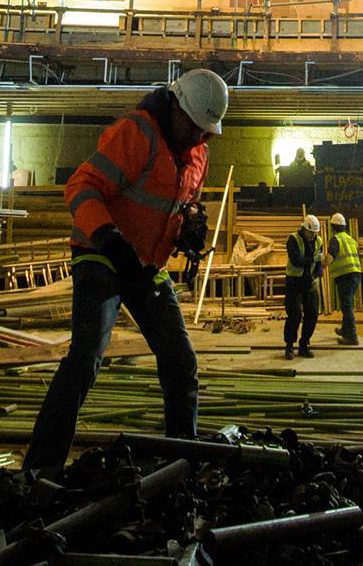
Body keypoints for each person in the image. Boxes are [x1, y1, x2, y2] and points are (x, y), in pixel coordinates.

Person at [21, 67, 229, 469]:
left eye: (207, 131)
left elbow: (177, 206)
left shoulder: (199, 149)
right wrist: (109, 241)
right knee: (85, 360)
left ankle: (180, 464)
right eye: (195, 127)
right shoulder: (137, 133)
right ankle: (40, 470)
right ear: (175, 107)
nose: (200, 136)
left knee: (181, 361)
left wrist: (187, 228)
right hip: (101, 255)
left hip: (147, 266)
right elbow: (81, 188)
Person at [283, 214, 326, 359]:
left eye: (315, 233)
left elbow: (319, 260)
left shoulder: (318, 241)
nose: (313, 236)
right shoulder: (293, 239)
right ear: (304, 229)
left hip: (310, 282)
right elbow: (296, 260)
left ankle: (304, 345)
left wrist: (319, 270)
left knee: (312, 314)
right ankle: (289, 346)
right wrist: (313, 259)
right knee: (294, 314)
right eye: (310, 233)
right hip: (294, 282)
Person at [327, 212, 362, 344]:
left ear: (332, 227)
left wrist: (320, 266)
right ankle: (345, 330)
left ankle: (352, 337)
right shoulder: (351, 239)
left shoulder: (336, 239)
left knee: (346, 306)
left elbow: (330, 257)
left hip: (345, 276)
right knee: (347, 304)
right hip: (356, 274)